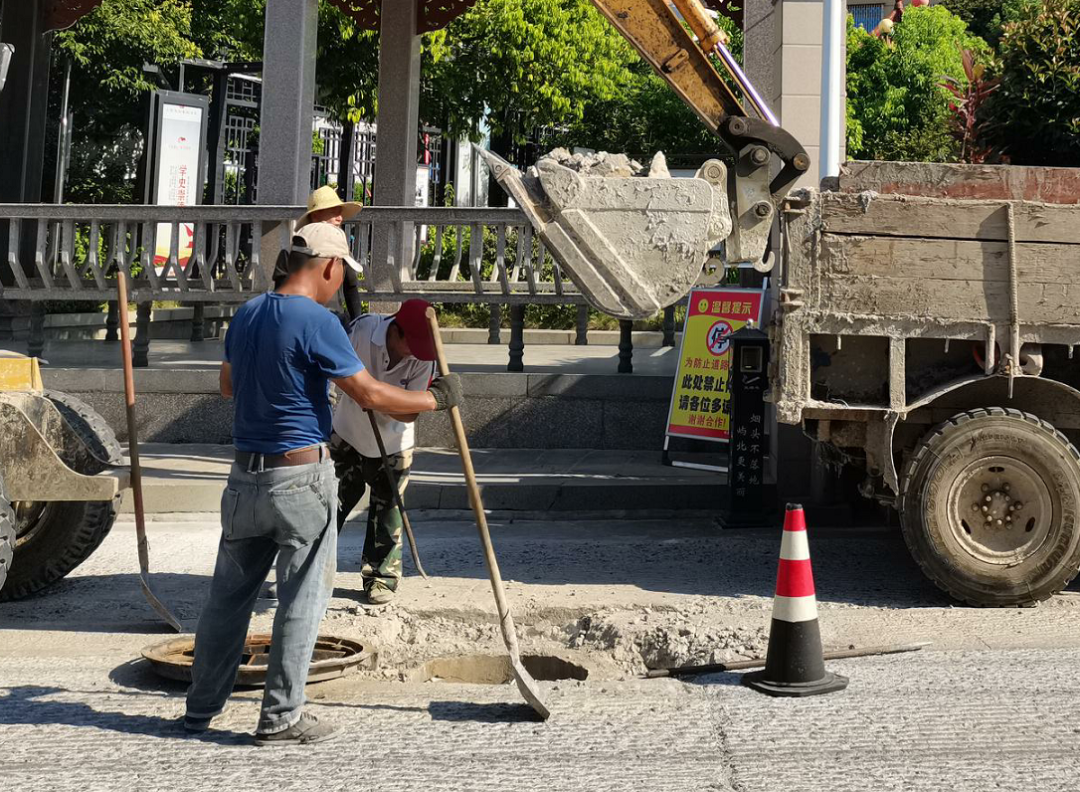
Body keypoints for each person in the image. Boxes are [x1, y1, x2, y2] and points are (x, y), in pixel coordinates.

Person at [184, 223, 461, 746]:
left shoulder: (246, 314)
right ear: (329, 267)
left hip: (244, 477)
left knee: (227, 600)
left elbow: (226, 385)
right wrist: (435, 400)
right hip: (299, 478)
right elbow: (371, 395)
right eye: (341, 274)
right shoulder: (319, 321)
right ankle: (281, 717)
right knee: (301, 601)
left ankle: (200, 710)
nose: (339, 285)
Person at [330, 299, 438, 605]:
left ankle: (381, 578)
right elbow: (336, 371)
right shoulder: (363, 330)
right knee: (328, 504)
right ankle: (310, 571)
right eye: (412, 345)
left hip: (394, 442)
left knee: (387, 511)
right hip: (348, 431)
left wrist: (376, 398)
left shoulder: (424, 359)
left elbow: (410, 413)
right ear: (397, 331)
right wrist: (364, 393)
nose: (416, 354)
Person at [297, 185, 364, 321]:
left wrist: (358, 321)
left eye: (341, 213)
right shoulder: (300, 243)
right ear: (316, 214)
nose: (340, 218)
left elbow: (350, 286)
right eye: (334, 211)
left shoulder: (340, 241)